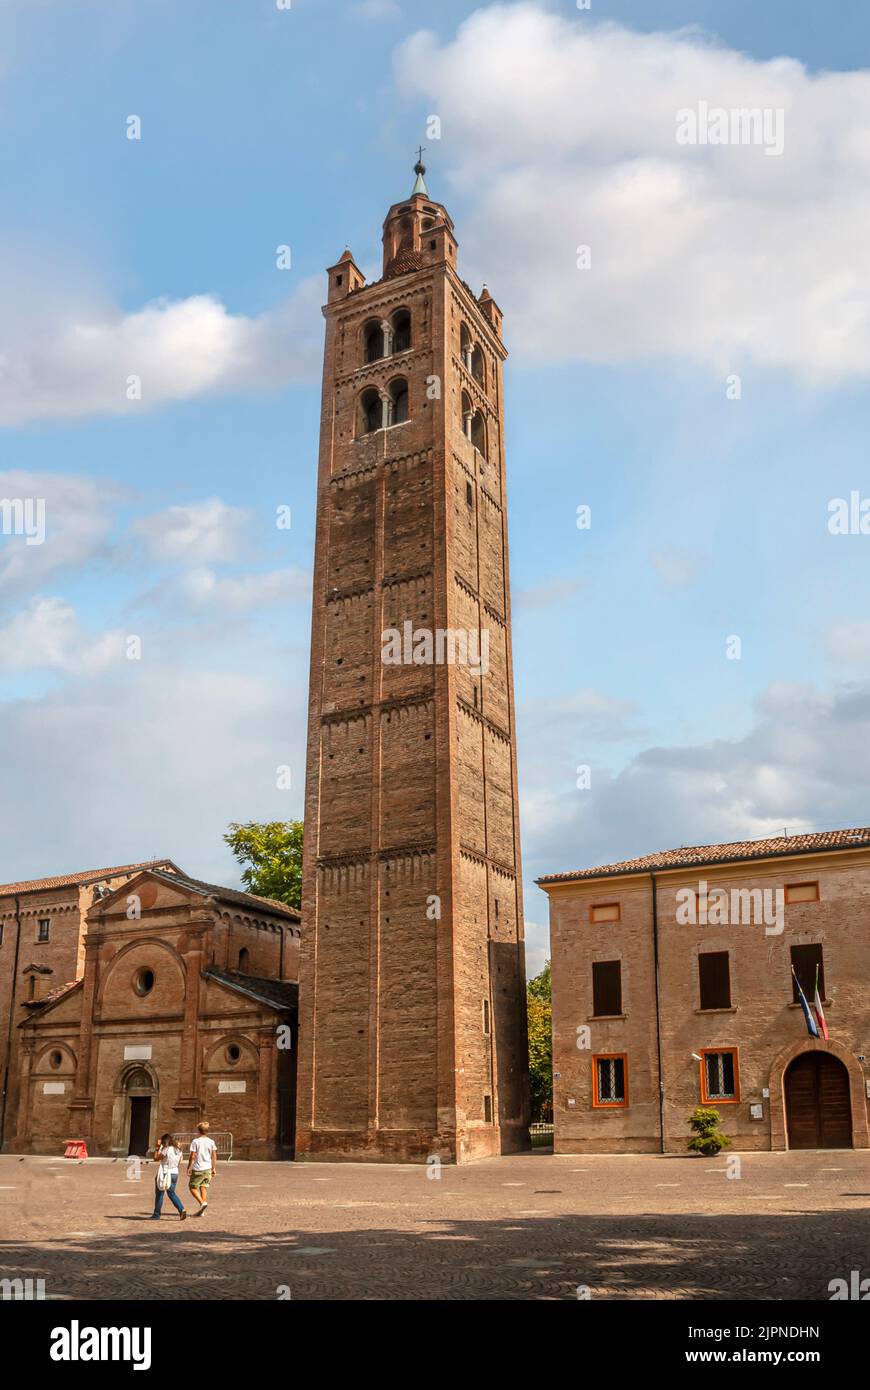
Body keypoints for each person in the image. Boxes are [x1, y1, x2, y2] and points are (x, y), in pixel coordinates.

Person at [150, 1133, 187, 1220]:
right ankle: (181, 1209)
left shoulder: (166, 1149)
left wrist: (157, 1148)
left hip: (165, 1172)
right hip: (174, 1172)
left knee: (160, 1193)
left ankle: (156, 1214)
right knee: (171, 1193)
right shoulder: (178, 1150)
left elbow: (156, 1158)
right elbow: (179, 1163)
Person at [187, 1121, 217, 1215]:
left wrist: (188, 1167)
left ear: (198, 1130)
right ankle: (202, 1210)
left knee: (192, 1187)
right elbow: (214, 1156)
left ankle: (202, 1203)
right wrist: (213, 1168)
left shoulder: (195, 1141)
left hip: (198, 1168)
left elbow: (192, 1156)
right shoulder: (211, 1141)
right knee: (203, 1187)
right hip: (208, 1168)